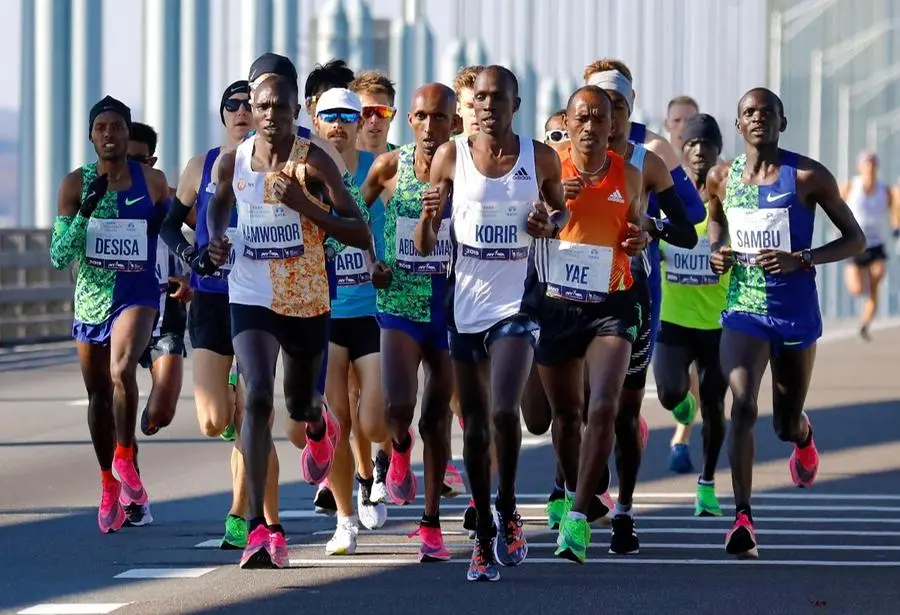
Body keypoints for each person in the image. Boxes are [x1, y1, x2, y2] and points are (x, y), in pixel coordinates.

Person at [205, 67, 370, 569]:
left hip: (306, 299)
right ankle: (262, 528)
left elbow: (358, 233)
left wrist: (306, 206)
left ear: (296, 111)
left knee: (300, 405)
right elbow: (218, 206)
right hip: (250, 293)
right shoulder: (233, 161)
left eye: (281, 106)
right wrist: (215, 238)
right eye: (263, 106)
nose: (271, 115)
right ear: (251, 111)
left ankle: (322, 427)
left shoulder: (315, 159)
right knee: (255, 397)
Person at [418, 65, 566, 582]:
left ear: (514, 104)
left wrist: (548, 224)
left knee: (506, 411)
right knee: (476, 429)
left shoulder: (538, 156)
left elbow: (560, 214)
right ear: (470, 105)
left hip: (517, 304)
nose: (485, 107)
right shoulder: (450, 155)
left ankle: (507, 509)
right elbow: (424, 242)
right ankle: (482, 534)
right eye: (478, 98)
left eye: (496, 99)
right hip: (466, 307)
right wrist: (427, 215)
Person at [707, 87, 865, 559]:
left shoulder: (808, 177)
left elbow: (854, 239)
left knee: (782, 422)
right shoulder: (721, 176)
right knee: (741, 404)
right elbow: (717, 221)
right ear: (738, 125)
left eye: (767, 112)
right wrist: (719, 253)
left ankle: (804, 436)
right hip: (744, 310)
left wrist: (803, 258)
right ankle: (743, 518)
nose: (758, 119)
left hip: (794, 313)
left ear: (782, 122)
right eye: (749, 113)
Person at [572, 66, 697, 554]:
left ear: (628, 111)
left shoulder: (649, 160)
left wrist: (652, 228)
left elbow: (689, 228)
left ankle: (623, 509)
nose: (609, 119)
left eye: (619, 108)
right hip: (572, 296)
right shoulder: (563, 153)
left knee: (620, 412)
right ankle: (586, 486)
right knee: (582, 408)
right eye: (600, 108)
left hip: (630, 295)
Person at [161, 79, 279, 551]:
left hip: (258, 297)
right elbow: (171, 225)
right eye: (233, 105)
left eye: (249, 105)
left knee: (257, 413)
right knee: (213, 420)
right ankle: (231, 403)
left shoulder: (273, 165)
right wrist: (194, 259)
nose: (241, 112)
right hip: (211, 295)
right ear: (223, 114)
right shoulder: (201, 165)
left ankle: (241, 512)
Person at [532, 86, 647, 564]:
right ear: (571, 120)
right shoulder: (548, 164)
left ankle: (578, 518)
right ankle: (578, 482)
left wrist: (639, 238)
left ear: (611, 126)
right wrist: (547, 212)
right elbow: (528, 219)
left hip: (611, 302)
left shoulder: (630, 174)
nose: (589, 126)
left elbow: (634, 229)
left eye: (598, 118)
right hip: (557, 304)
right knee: (564, 418)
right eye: (581, 117)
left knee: (603, 406)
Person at [50, 96, 170, 533]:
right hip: (92, 300)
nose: (108, 134)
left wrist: (197, 260)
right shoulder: (74, 185)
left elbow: (178, 222)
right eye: (100, 127)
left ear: (127, 132)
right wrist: (86, 208)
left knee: (123, 371)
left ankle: (125, 456)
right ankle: (108, 482)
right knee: (99, 395)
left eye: (116, 126)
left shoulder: (152, 181)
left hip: (137, 294)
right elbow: (60, 255)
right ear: (90, 135)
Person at [362, 82, 460, 562]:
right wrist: (371, 261)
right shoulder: (390, 166)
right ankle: (398, 447)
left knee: (438, 419)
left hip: (449, 309)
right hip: (398, 302)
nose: (428, 126)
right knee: (398, 408)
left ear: (453, 122)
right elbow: (354, 212)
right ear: (410, 120)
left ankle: (431, 524)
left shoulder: (468, 168)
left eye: (438, 118)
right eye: (420, 117)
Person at [312, 86, 390, 554]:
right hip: (325, 313)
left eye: (348, 115)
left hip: (374, 309)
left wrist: (388, 265)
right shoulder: (304, 173)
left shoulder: (378, 169)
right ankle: (345, 518)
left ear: (361, 122)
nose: (339, 123)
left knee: (375, 419)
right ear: (317, 123)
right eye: (330, 116)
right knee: (337, 418)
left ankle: (378, 463)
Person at [653, 113, 729, 517]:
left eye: (707, 144)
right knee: (669, 393)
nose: (700, 151)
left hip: (717, 325)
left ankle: (708, 483)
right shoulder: (671, 197)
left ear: (718, 150)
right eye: (692, 145)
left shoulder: (728, 197)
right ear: (681, 151)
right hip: (674, 320)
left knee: (716, 407)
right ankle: (682, 407)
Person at [125, 122, 190, 527]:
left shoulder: (166, 201)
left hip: (166, 313)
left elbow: (197, 238)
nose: (129, 168)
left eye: (138, 161)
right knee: (118, 400)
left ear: (151, 163)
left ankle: (142, 429)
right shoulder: (103, 200)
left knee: (160, 412)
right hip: (119, 313)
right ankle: (131, 492)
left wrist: (191, 279)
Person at [841, 150, 899, 341]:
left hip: (875, 244)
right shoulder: (851, 186)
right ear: (860, 166)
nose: (870, 167)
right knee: (857, 289)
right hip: (855, 243)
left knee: (878, 276)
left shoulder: (885, 190)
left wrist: (896, 230)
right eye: (867, 164)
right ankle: (863, 279)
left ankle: (864, 326)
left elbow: (894, 210)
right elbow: (834, 203)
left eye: (873, 164)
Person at [350, 70, 400, 154]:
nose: (374, 120)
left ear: (392, 115)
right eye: (366, 111)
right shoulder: (338, 162)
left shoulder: (408, 161)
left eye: (382, 111)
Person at [664, 95, 700, 161]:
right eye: (676, 120)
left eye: (689, 121)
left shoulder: (712, 163)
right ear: (666, 125)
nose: (683, 126)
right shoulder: (655, 161)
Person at [452, 65, 484, 138]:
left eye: (481, 105)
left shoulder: (511, 147)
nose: (475, 113)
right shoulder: (446, 148)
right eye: (470, 106)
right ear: (458, 109)